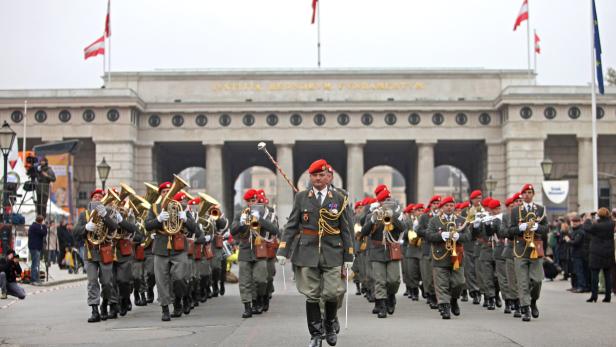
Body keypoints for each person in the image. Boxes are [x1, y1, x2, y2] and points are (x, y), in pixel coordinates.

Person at [277, 159, 353, 347]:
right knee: (312, 294)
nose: (317, 179)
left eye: (321, 175)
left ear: (327, 177)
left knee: (331, 293)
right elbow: (292, 225)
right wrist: (283, 249)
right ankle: (316, 335)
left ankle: (329, 324)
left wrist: (349, 254)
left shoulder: (339, 198)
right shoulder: (302, 197)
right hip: (307, 251)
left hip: (333, 251)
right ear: (310, 177)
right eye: (314, 176)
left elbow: (346, 229)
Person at [144, 181, 200, 321]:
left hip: (178, 247)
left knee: (180, 279)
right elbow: (147, 226)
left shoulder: (181, 207)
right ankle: (165, 309)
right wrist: (158, 219)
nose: (167, 194)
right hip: (161, 247)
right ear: (160, 194)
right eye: (164, 192)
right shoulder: (155, 208)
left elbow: (196, 230)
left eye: (170, 192)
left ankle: (178, 301)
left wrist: (186, 219)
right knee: (161, 280)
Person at [73, 189, 120, 323]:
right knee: (92, 281)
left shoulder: (109, 212)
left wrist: (105, 216)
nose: (97, 198)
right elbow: (75, 232)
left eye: (100, 197)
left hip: (105, 250)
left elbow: (114, 228)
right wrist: (85, 228)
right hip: (90, 251)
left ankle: (105, 303)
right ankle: (94, 310)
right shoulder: (84, 215)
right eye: (95, 197)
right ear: (91, 199)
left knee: (106, 282)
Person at [231, 189, 279, 318]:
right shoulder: (240, 213)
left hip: (260, 250)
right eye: (250, 201)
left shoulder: (264, 213)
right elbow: (233, 231)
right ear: (246, 202)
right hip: (245, 250)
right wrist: (241, 223)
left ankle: (260, 298)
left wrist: (260, 220)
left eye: (255, 200)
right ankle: (247, 306)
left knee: (261, 279)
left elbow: (275, 230)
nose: (253, 203)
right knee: (245, 281)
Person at [426, 196, 475, 319]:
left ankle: (453, 299)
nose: (449, 208)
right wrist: (441, 235)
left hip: (456, 256)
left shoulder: (461, 220)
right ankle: (444, 306)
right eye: (446, 206)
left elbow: (468, 237)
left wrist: (458, 236)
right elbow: (428, 236)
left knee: (459, 282)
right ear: (442, 207)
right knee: (441, 284)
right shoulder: (434, 221)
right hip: (440, 255)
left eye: (451, 205)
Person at [361, 187, 406, 318]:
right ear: (379, 202)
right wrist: (372, 220)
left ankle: (391, 295)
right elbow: (364, 232)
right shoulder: (372, 214)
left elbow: (403, 228)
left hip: (392, 249)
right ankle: (381, 305)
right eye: (384, 201)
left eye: (388, 200)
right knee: (379, 280)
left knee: (394, 280)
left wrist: (394, 218)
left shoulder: (397, 214)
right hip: (377, 250)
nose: (387, 202)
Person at [507, 184, 548, 322]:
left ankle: (533, 301)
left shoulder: (540, 209)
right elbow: (510, 231)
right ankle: (525, 309)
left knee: (537, 280)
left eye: (530, 192)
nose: (527, 195)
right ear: (522, 195)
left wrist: (538, 227)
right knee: (523, 281)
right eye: (525, 193)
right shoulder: (515, 211)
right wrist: (520, 227)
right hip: (520, 249)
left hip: (535, 247)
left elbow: (546, 228)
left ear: (533, 194)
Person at [583, 207, 615, 303]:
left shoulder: (596, 225)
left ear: (599, 215)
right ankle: (608, 296)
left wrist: (588, 218)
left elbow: (586, 228)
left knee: (594, 274)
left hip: (596, 252)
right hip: (608, 251)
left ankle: (594, 296)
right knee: (607, 275)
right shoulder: (612, 224)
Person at [566, 215, 589, 293]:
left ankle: (582, 286)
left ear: (580, 222)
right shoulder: (573, 230)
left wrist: (568, 240)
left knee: (579, 271)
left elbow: (576, 242)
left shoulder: (580, 231)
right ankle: (575, 286)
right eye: (573, 222)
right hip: (573, 254)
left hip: (579, 254)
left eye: (576, 222)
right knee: (574, 271)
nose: (574, 223)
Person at [28, 215, 47, 285]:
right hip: (35, 247)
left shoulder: (33, 226)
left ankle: (35, 278)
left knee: (34, 263)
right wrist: (44, 226)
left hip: (33, 247)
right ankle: (34, 279)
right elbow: (44, 233)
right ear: (41, 221)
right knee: (35, 264)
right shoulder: (36, 227)